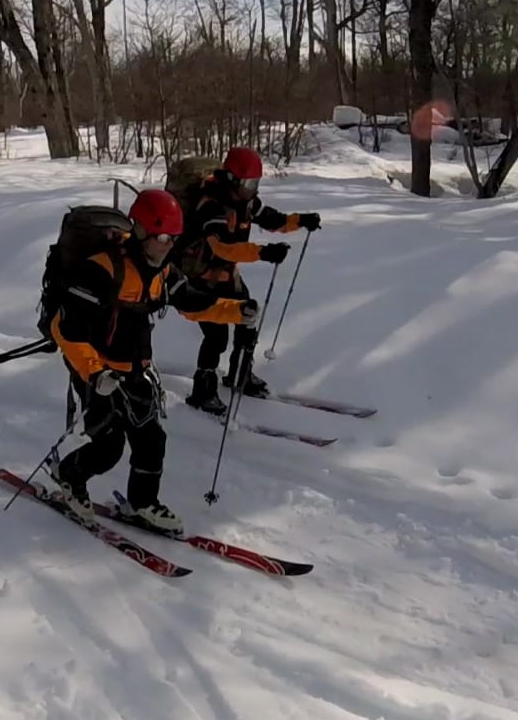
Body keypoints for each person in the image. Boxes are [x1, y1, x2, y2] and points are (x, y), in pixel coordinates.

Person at [47, 189, 258, 534]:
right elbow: (65, 329)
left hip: (135, 368)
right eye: (161, 237)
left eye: (173, 238)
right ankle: (69, 476)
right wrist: (94, 372)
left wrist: (236, 311)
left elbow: (191, 302)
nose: (167, 245)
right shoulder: (102, 269)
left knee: (151, 442)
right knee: (109, 446)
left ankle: (142, 503)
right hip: (95, 369)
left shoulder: (161, 271)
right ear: (141, 232)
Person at [175, 146, 320, 415]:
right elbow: (222, 247)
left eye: (255, 183)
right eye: (247, 183)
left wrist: (301, 221)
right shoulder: (213, 205)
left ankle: (240, 373)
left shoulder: (246, 202)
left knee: (248, 318)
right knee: (216, 336)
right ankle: (202, 390)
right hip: (199, 278)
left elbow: (273, 220)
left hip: (225, 275)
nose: (251, 189)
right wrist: (262, 252)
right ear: (230, 178)